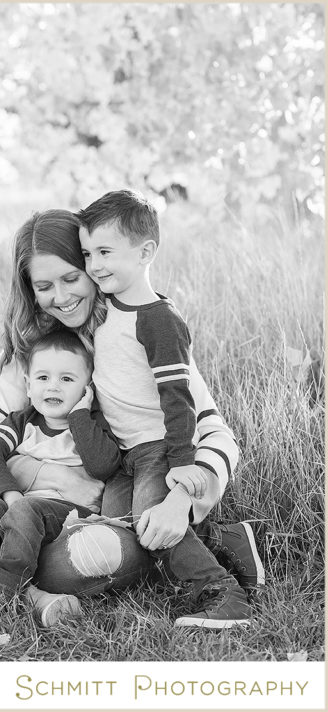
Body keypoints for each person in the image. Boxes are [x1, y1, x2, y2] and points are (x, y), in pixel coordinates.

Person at [0, 208, 264, 628]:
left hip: (109, 514)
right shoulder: (32, 355)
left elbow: (214, 433)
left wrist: (179, 501)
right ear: (30, 290)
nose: (61, 296)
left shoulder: (136, 333)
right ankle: (28, 593)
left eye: (71, 278)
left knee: (90, 553)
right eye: (44, 286)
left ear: (91, 267)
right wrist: (49, 477)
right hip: (27, 510)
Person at [78, 189, 249, 628]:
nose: (94, 265)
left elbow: (179, 397)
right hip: (126, 456)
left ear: (145, 251)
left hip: (158, 447)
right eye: (87, 253)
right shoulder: (106, 307)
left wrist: (182, 463)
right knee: (124, 530)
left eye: (105, 251)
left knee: (151, 521)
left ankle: (222, 593)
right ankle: (223, 541)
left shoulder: (158, 320)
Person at [0, 329, 121, 621]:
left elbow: (104, 466)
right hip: (21, 511)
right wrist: (9, 493)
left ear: (87, 388)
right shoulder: (22, 422)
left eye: (66, 379)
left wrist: (80, 415)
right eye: (43, 378)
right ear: (28, 385)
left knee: (27, 508)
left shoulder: (92, 426)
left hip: (69, 517)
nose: (53, 387)